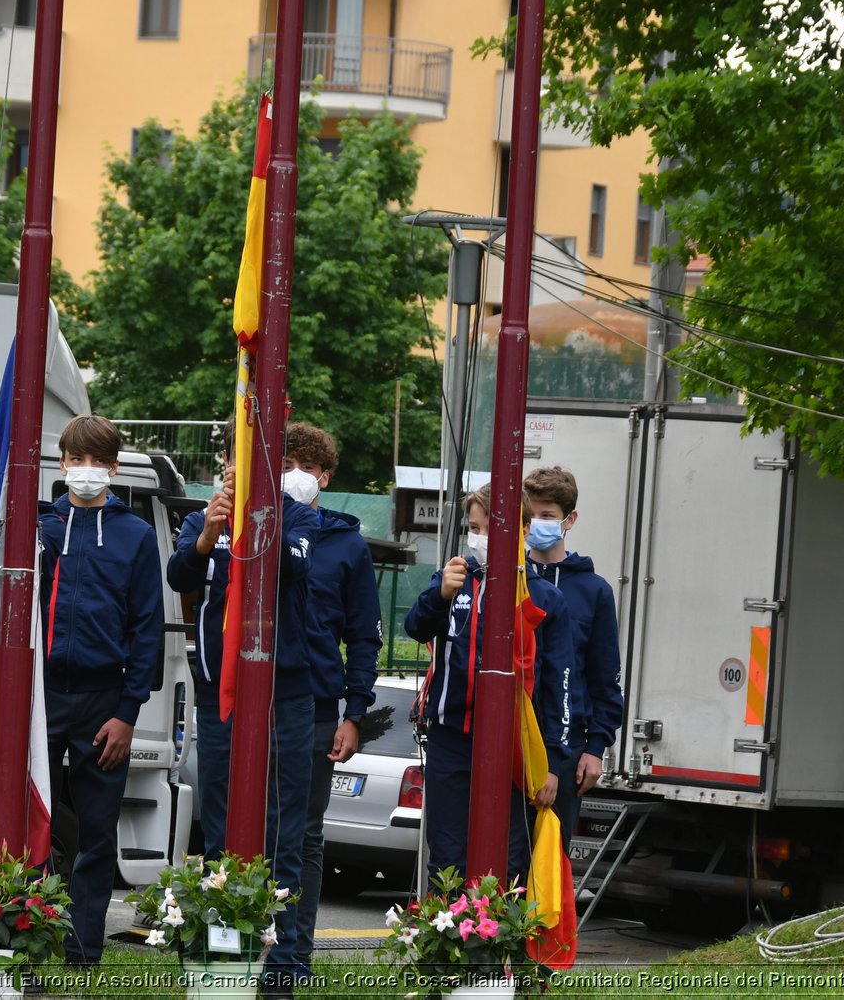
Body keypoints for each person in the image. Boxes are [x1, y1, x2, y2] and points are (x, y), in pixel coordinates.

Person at [165, 429, 318, 999]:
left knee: (283, 825)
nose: (242, 467)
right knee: (223, 821)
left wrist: (259, 515)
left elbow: (295, 570)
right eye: (236, 457)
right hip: (219, 689)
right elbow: (180, 577)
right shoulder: (201, 519)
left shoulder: (297, 517)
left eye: (258, 458)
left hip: (286, 692)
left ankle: (279, 971)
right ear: (224, 462)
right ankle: (224, 961)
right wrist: (209, 531)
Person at [403, 484, 575, 887]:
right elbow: (416, 627)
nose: (477, 537)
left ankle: (497, 947)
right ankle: (445, 943)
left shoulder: (543, 596)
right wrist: (439, 594)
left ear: (522, 531)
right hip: (451, 736)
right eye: (473, 527)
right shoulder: (453, 581)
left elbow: (561, 685)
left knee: (509, 862)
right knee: (446, 859)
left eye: (487, 529)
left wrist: (553, 759)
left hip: (513, 744)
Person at [39, 415, 163, 967]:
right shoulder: (38, 526)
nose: (85, 471)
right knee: (29, 826)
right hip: (40, 696)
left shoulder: (134, 534)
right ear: (61, 462)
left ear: (113, 468)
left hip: (103, 703)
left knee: (94, 836)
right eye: (76, 459)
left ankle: (82, 952)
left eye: (97, 461)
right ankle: (23, 941)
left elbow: (147, 628)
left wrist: (127, 711)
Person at [282, 422, 381, 978]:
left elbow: (364, 636)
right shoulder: (260, 527)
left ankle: (294, 951)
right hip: (257, 699)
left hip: (320, 705)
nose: (296, 474)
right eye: (287, 462)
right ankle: (244, 940)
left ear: (325, 476)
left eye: (308, 466)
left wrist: (355, 713)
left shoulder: (347, 546)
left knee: (305, 831)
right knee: (253, 823)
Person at [522, 466, 623, 850]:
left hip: (565, 748)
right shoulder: (508, 577)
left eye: (548, 516)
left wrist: (595, 749)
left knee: (549, 857)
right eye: (531, 516)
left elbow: (604, 677)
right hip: (511, 735)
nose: (537, 525)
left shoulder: (594, 591)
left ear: (569, 519)